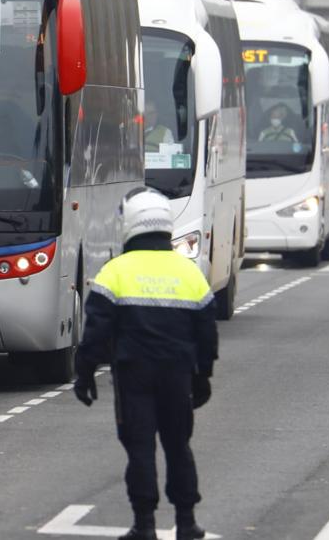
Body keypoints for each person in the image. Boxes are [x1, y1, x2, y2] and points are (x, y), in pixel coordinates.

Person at [73, 187, 218, 540]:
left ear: (131, 225)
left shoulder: (115, 271)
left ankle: (145, 524)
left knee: (140, 449)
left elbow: (95, 328)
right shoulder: (189, 273)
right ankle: (186, 522)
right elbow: (207, 332)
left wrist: (85, 373)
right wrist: (203, 377)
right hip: (178, 374)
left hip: (133, 375)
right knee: (177, 445)